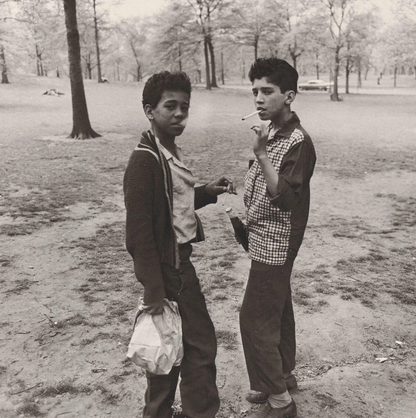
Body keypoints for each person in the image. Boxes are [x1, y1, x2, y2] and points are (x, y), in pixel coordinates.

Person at [124, 71, 235, 418]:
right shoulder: (144, 160)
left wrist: (206, 192)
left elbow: (172, 207)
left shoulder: (167, 151)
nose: (178, 114)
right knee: (195, 345)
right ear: (149, 110)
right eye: (169, 106)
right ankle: (195, 412)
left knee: (169, 346)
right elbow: (139, 233)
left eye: (184, 107)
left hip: (177, 264)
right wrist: (154, 289)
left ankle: (161, 413)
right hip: (169, 269)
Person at [240, 58, 317, 418]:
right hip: (263, 236)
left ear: (289, 96)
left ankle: (280, 401)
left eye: (266, 91)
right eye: (254, 91)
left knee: (256, 318)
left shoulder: (298, 141)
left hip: (278, 240)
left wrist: (260, 154)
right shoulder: (274, 132)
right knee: (278, 310)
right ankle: (283, 377)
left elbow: (285, 197)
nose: (258, 98)